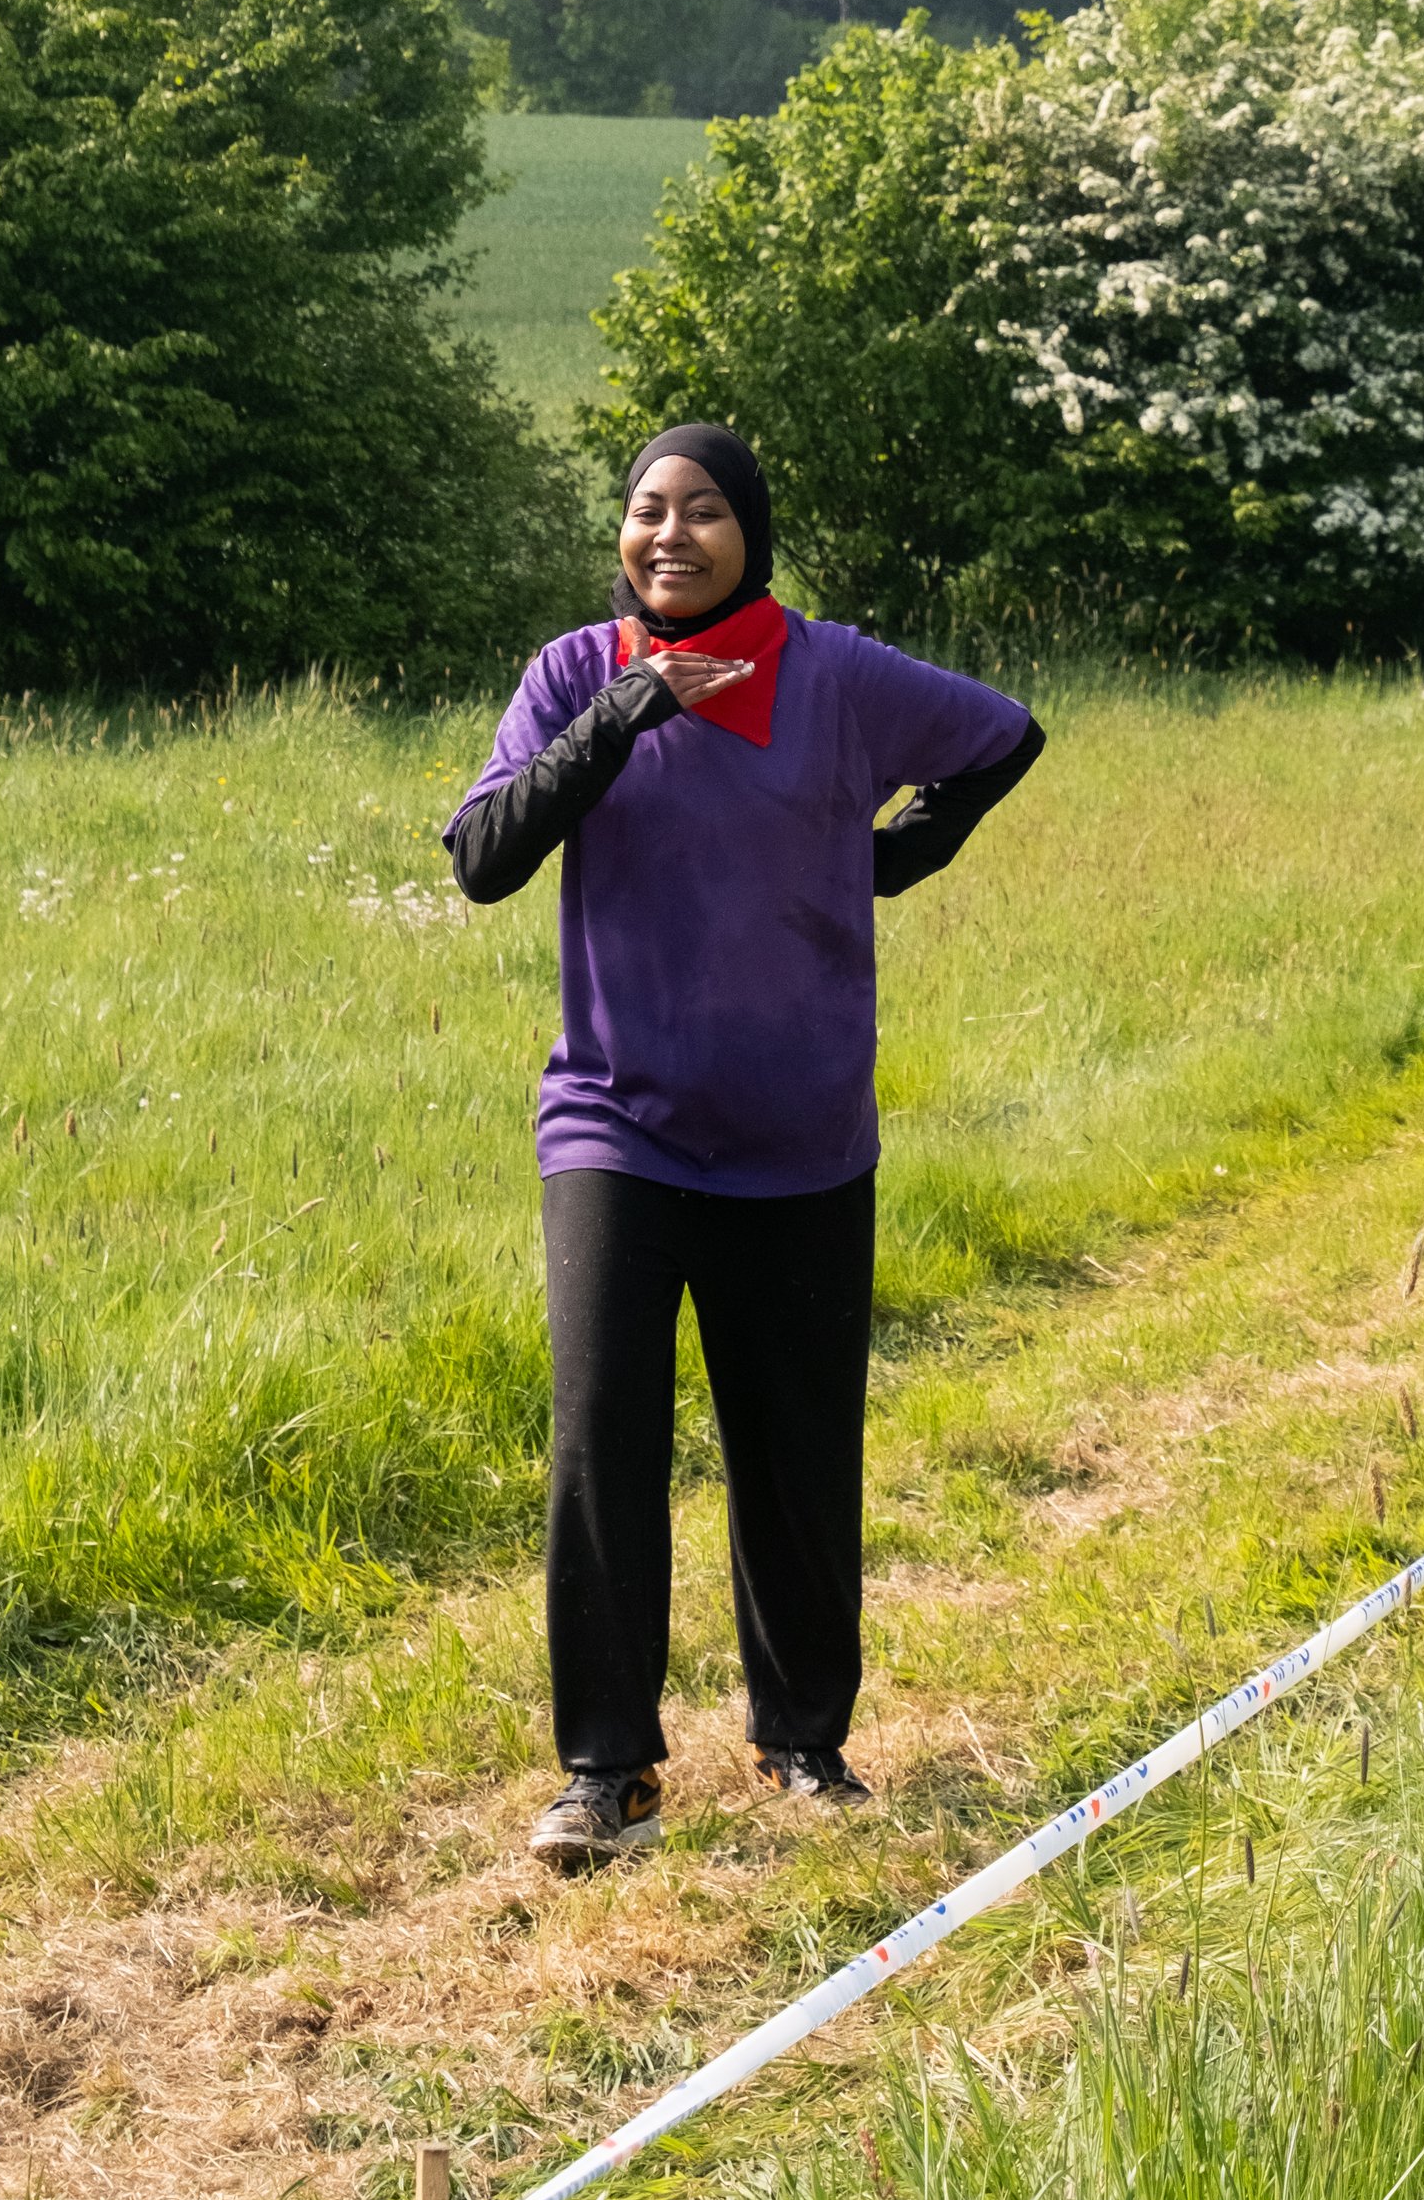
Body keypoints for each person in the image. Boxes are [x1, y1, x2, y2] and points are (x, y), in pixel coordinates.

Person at [445, 423, 1045, 1873]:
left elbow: (1005, 731)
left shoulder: (835, 674)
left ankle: (802, 1740)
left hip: (803, 1134)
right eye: (646, 510)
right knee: (603, 1441)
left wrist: (902, 847)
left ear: (751, 533)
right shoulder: (575, 673)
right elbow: (482, 857)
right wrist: (626, 713)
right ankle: (608, 1771)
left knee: (793, 1449)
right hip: (616, 1121)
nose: (670, 534)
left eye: (702, 511)